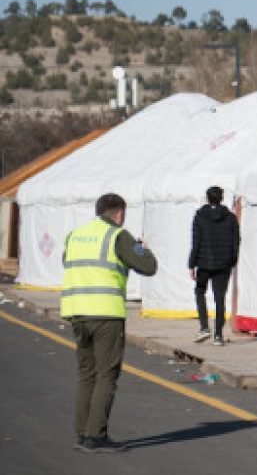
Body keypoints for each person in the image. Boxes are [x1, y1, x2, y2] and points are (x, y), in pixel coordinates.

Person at [60, 193, 157, 454]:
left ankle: (82, 432)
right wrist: (141, 248)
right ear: (119, 214)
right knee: (106, 374)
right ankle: (96, 436)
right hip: (106, 315)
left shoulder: (75, 235)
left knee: (86, 374)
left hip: (77, 313)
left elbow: (67, 264)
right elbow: (148, 267)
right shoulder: (118, 235)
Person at [188, 185, 240, 345]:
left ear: (207, 198)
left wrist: (192, 264)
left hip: (204, 262)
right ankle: (218, 335)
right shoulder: (231, 218)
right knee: (219, 298)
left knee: (199, 291)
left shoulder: (200, 215)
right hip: (223, 263)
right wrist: (232, 261)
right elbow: (236, 241)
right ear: (222, 198)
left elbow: (196, 241)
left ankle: (204, 327)